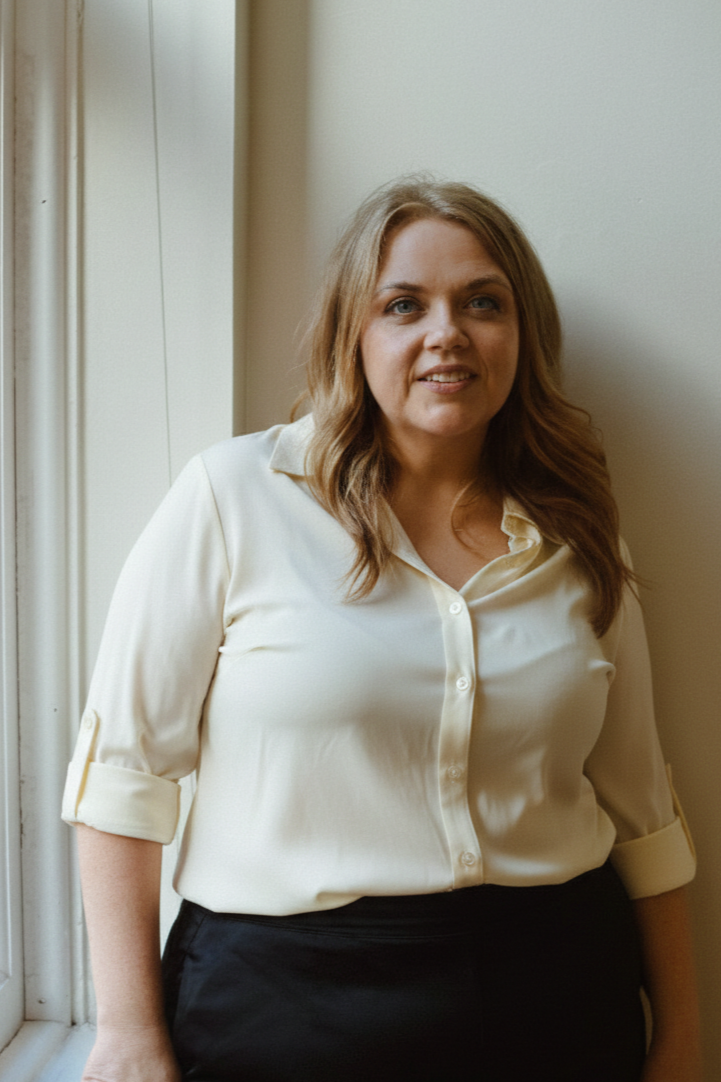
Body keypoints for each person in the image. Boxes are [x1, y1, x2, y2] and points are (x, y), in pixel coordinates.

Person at [63, 178, 701, 1082]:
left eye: (483, 303)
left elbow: (640, 809)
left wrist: (681, 1037)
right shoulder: (233, 499)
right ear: (350, 334)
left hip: (558, 998)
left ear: (521, 334)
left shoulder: (578, 536)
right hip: (282, 1007)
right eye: (403, 305)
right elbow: (123, 778)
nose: (448, 333)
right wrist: (128, 1031)